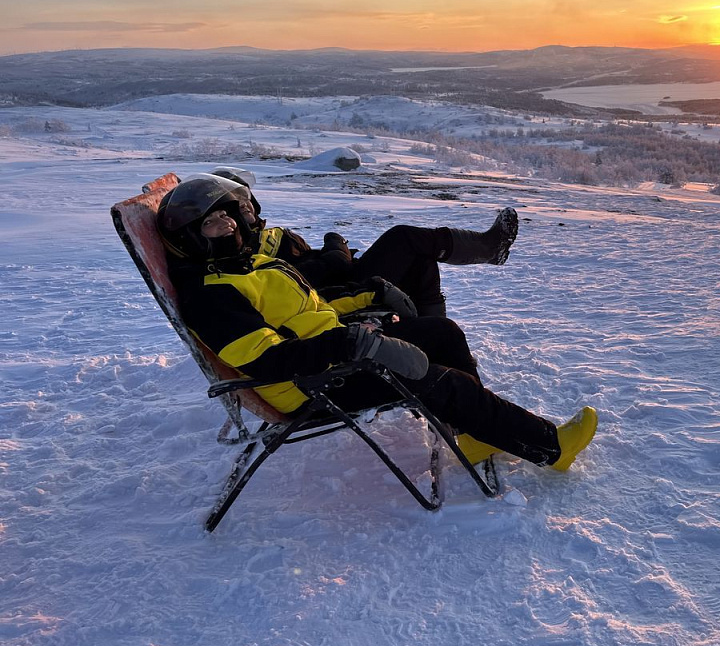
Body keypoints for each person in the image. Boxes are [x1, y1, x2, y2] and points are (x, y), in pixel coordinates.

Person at [157, 174, 597, 472]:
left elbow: (311, 308)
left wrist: (370, 296)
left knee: (441, 333)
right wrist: (354, 345)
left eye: (228, 215)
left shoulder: (246, 265)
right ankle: (550, 448)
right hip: (310, 385)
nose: (227, 224)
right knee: (439, 381)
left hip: (331, 354)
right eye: (210, 223)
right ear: (189, 238)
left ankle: (477, 434)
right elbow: (268, 361)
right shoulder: (210, 293)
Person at [208, 166, 518, 317]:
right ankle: (489, 249)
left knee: (420, 257)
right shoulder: (243, 250)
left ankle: (433, 331)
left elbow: (311, 261)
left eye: (245, 198)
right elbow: (302, 277)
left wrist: (332, 251)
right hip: (335, 295)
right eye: (235, 205)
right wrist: (335, 247)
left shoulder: (266, 235)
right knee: (403, 238)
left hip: (340, 279)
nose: (245, 205)